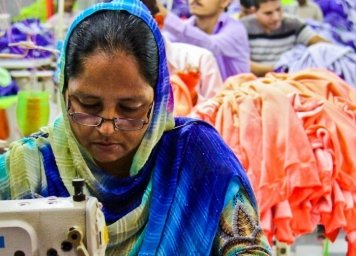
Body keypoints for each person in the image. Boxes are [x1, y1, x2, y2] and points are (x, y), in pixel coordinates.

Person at [0, 0, 272, 254]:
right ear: (65, 94)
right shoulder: (27, 167)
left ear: (159, 98)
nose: (107, 129)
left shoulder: (196, 160)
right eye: (88, 106)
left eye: (130, 109)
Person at [143, 0, 224, 115]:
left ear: (158, 22)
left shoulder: (199, 60)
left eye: (134, 25)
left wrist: (192, 97)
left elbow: (216, 119)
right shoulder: (112, 65)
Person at [157, 0, 251, 80]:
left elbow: (211, 45)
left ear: (224, 1)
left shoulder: (236, 30)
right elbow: (165, 43)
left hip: (234, 98)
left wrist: (165, 15)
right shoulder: (184, 28)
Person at [241, 0, 328, 76]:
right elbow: (242, 63)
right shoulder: (242, 28)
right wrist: (280, 69)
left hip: (289, 79)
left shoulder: (293, 24)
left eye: (278, 9)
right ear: (254, 11)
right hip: (257, 81)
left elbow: (322, 44)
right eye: (268, 13)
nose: (276, 17)